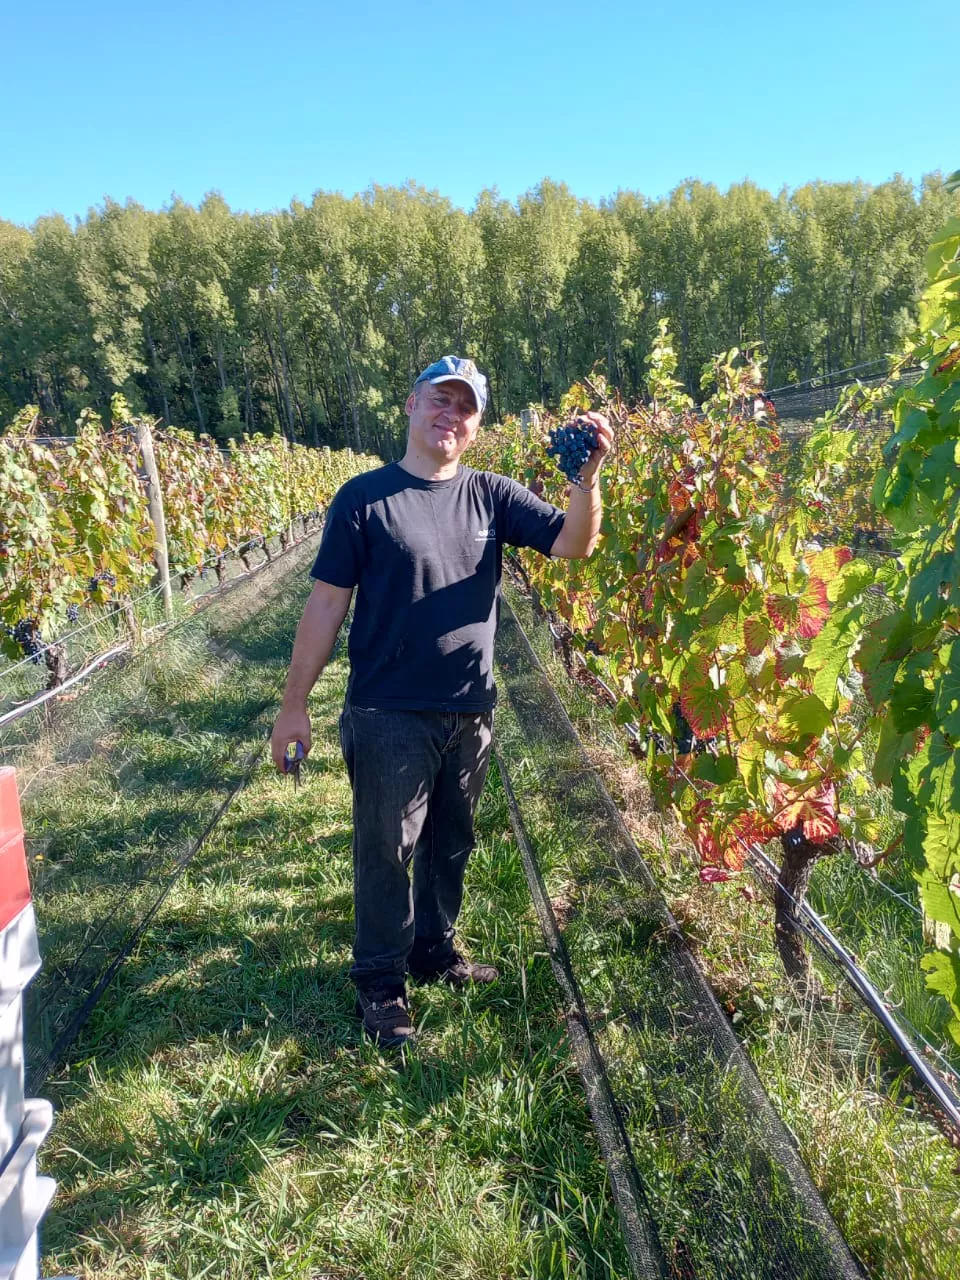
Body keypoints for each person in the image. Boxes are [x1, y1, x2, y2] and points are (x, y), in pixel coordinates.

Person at [270, 356, 612, 1047]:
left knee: (450, 843)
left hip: (470, 709)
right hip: (388, 710)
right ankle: (380, 982)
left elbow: (574, 544)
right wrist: (293, 705)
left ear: (476, 424)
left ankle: (434, 950)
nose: (448, 414)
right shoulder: (363, 499)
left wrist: (588, 477)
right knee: (385, 850)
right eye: (438, 400)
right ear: (410, 405)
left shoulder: (492, 494)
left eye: (464, 406)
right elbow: (327, 602)